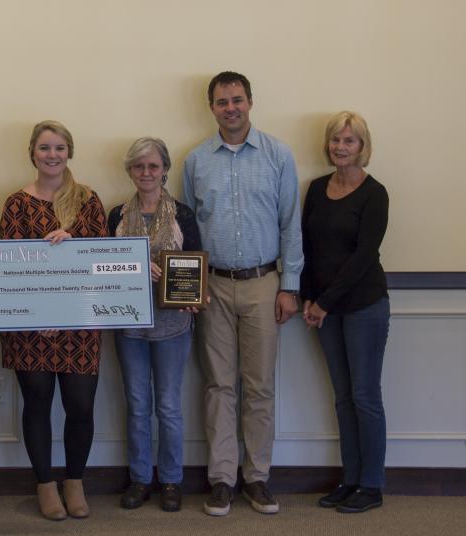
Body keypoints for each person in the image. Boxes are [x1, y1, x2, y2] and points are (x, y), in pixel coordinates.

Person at [182, 71, 303, 516]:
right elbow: (186, 232)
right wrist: (190, 288)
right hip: (212, 286)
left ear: (250, 101)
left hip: (263, 285)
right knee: (218, 385)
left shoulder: (278, 155)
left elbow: (291, 225)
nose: (230, 108)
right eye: (221, 101)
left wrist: (289, 287)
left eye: (237, 99)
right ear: (211, 107)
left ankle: (258, 477)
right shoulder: (196, 161)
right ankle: (221, 479)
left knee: (260, 387)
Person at [0, 120, 108, 521]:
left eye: (60, 148)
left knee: (80, 405)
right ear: (33, 153)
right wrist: (39, 312)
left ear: (69, 152)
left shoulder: (88, 200)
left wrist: (75, 245)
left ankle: (74, 481)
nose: (52, 155)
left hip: (80, 321)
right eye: (45, 148)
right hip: (32, 326)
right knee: (38, 403)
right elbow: (10, 267)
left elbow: (102, 260)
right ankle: (45, 484)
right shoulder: (15, 203)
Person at [301, 111, 389, 514]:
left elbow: (362, 259)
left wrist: (323, 302)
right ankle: (349, 479)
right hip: (324, 310)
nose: (341, 147)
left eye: (349, 141)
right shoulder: (318, 189)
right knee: (342, 399)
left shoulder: (376, 193)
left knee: (365, 397)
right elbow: (305, 248)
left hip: (363, 306)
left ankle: (371, 485)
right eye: (336, 139)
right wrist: (306, 297)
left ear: (362, 147)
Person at [109, 137, 200, 512]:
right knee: (137, 404)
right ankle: (140, 478)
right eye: (138, 166)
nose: (146, 173)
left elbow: (195, 265)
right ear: (129, 171)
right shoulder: (115, 215)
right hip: (128, 326)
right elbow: (104, 264)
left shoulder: (183, 215)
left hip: (172, 325)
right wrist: (135, 265)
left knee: (168, 405)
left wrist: (195, 297)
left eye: (153, 166)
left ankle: (172, 481)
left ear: (165, 170)